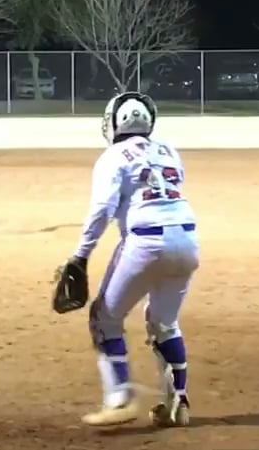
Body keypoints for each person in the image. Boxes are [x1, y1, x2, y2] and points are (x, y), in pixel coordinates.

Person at [62, 91, 199, 429]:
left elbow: (102, 210)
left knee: (104, 318)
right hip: (187, 239)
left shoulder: (112, 156)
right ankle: (177, 402)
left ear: (113, 122)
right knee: (164, 322)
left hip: (145, 241)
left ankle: (119, 398)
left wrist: (81, 255)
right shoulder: (169, 151)